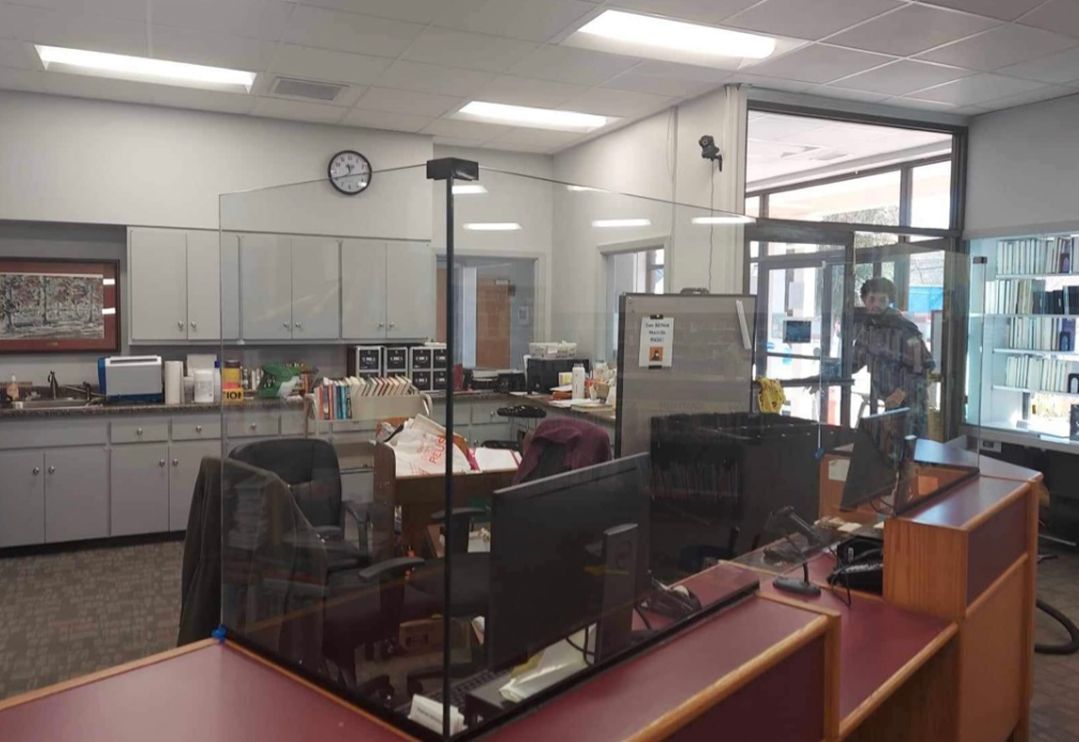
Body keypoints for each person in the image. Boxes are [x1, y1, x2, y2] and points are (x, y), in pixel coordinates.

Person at [852, 277, 934, 437]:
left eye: (882, 300)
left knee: (912, 455)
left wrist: (902, 391)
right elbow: (853, 363)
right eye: (872, 299)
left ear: (889, 302)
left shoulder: (905, 329)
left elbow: (924, 367)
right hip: (887, 406)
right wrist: (825, 376)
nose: (876, 304)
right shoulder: (867, 330)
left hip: (911, 406)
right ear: (864, 300)